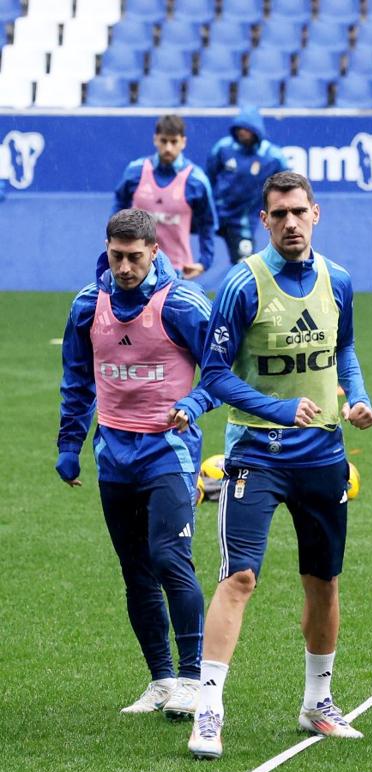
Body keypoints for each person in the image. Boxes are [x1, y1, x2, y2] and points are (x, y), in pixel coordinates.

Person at [189, 172, 372, 759]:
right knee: (239, 577)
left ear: (316, 214)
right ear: (265, 221)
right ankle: (209, 709)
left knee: (323, 581)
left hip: (324, 454)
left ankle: (317, 703)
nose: (290, 223)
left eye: (299, 212)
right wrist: (278, 408)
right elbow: (215, 375)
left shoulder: (338, 280)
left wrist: (357, 395)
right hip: (256, 455)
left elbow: (342, 347)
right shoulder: (242, 283)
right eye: (279, 215)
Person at [56, 208, 217, 720]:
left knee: (170, 558)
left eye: (134, 257)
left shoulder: (184, 304)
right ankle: (162, 679)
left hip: (169, 452)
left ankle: (193, 679)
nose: (124, 267)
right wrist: (69, 442)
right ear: (107, 250)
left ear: (153, 251)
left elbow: (220, 371)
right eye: (116, 256)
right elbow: (78, 379)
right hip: (113, 455)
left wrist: (192, 405)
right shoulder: (88, 305)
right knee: (136, 572)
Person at [114, 114, 218, 281]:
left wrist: (204, 262)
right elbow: (118, 211)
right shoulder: (136, 172)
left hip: (177, 271)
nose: (168, 148)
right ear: (155, 139)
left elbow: (208, 224)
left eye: (174, 142)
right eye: (163, 141)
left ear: (183, 142)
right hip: (137, 268)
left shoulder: (196, 180)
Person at [205, 106, 289, 265]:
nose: (241, 132)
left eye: (246, 128)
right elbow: (208, 178)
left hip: (242, 221)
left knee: (245, 267)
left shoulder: (272, 156)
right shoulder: (223, 148)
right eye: (238, 128)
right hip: (214, 214)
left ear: (256, 130)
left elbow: (289, 184)